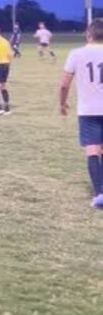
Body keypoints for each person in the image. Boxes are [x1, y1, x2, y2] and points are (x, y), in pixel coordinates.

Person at [59, 18, 103, 209]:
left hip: (88, 110)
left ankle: (100, 193)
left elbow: (64, 84)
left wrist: (62, 103)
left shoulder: (76, 54)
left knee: (92, 150)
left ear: (88, 34)